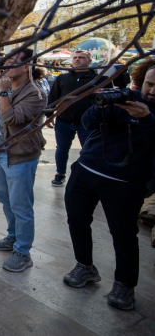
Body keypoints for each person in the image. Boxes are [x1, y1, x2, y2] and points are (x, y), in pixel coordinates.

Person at [63, 66, 155, 311]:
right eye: (149, 84)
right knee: (76, 220)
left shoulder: (147, 111)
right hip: (86, 170)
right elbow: (87, 123)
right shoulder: (125, 97)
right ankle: (85, 266)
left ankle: (125, 284)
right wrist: (100, 107)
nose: (152, 90)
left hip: (126, 183)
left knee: (123, 234)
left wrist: (146, 118)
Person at [0, 49, 47, 273]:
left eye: (11, 62)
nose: (5, 66)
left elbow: (11, 119)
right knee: (6, 200)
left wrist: (3, 92)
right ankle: (13, 237)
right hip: (0, 151)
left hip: (19, 155)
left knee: (21, 206)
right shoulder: (2, 87)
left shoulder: (36, 94)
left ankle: (23, 252)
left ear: (25, 67)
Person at [47, 50, 101, 187]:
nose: (77, 59)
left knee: (88, 150)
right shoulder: (63, 78)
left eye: (81, 57)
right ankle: (60, 173)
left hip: (87, 123)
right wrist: (49, 115)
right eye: (75, 57)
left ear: (89, 61)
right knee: (62, 149)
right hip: (63, 121)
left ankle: (87, 175)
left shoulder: (98, 79)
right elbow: (53, 97)